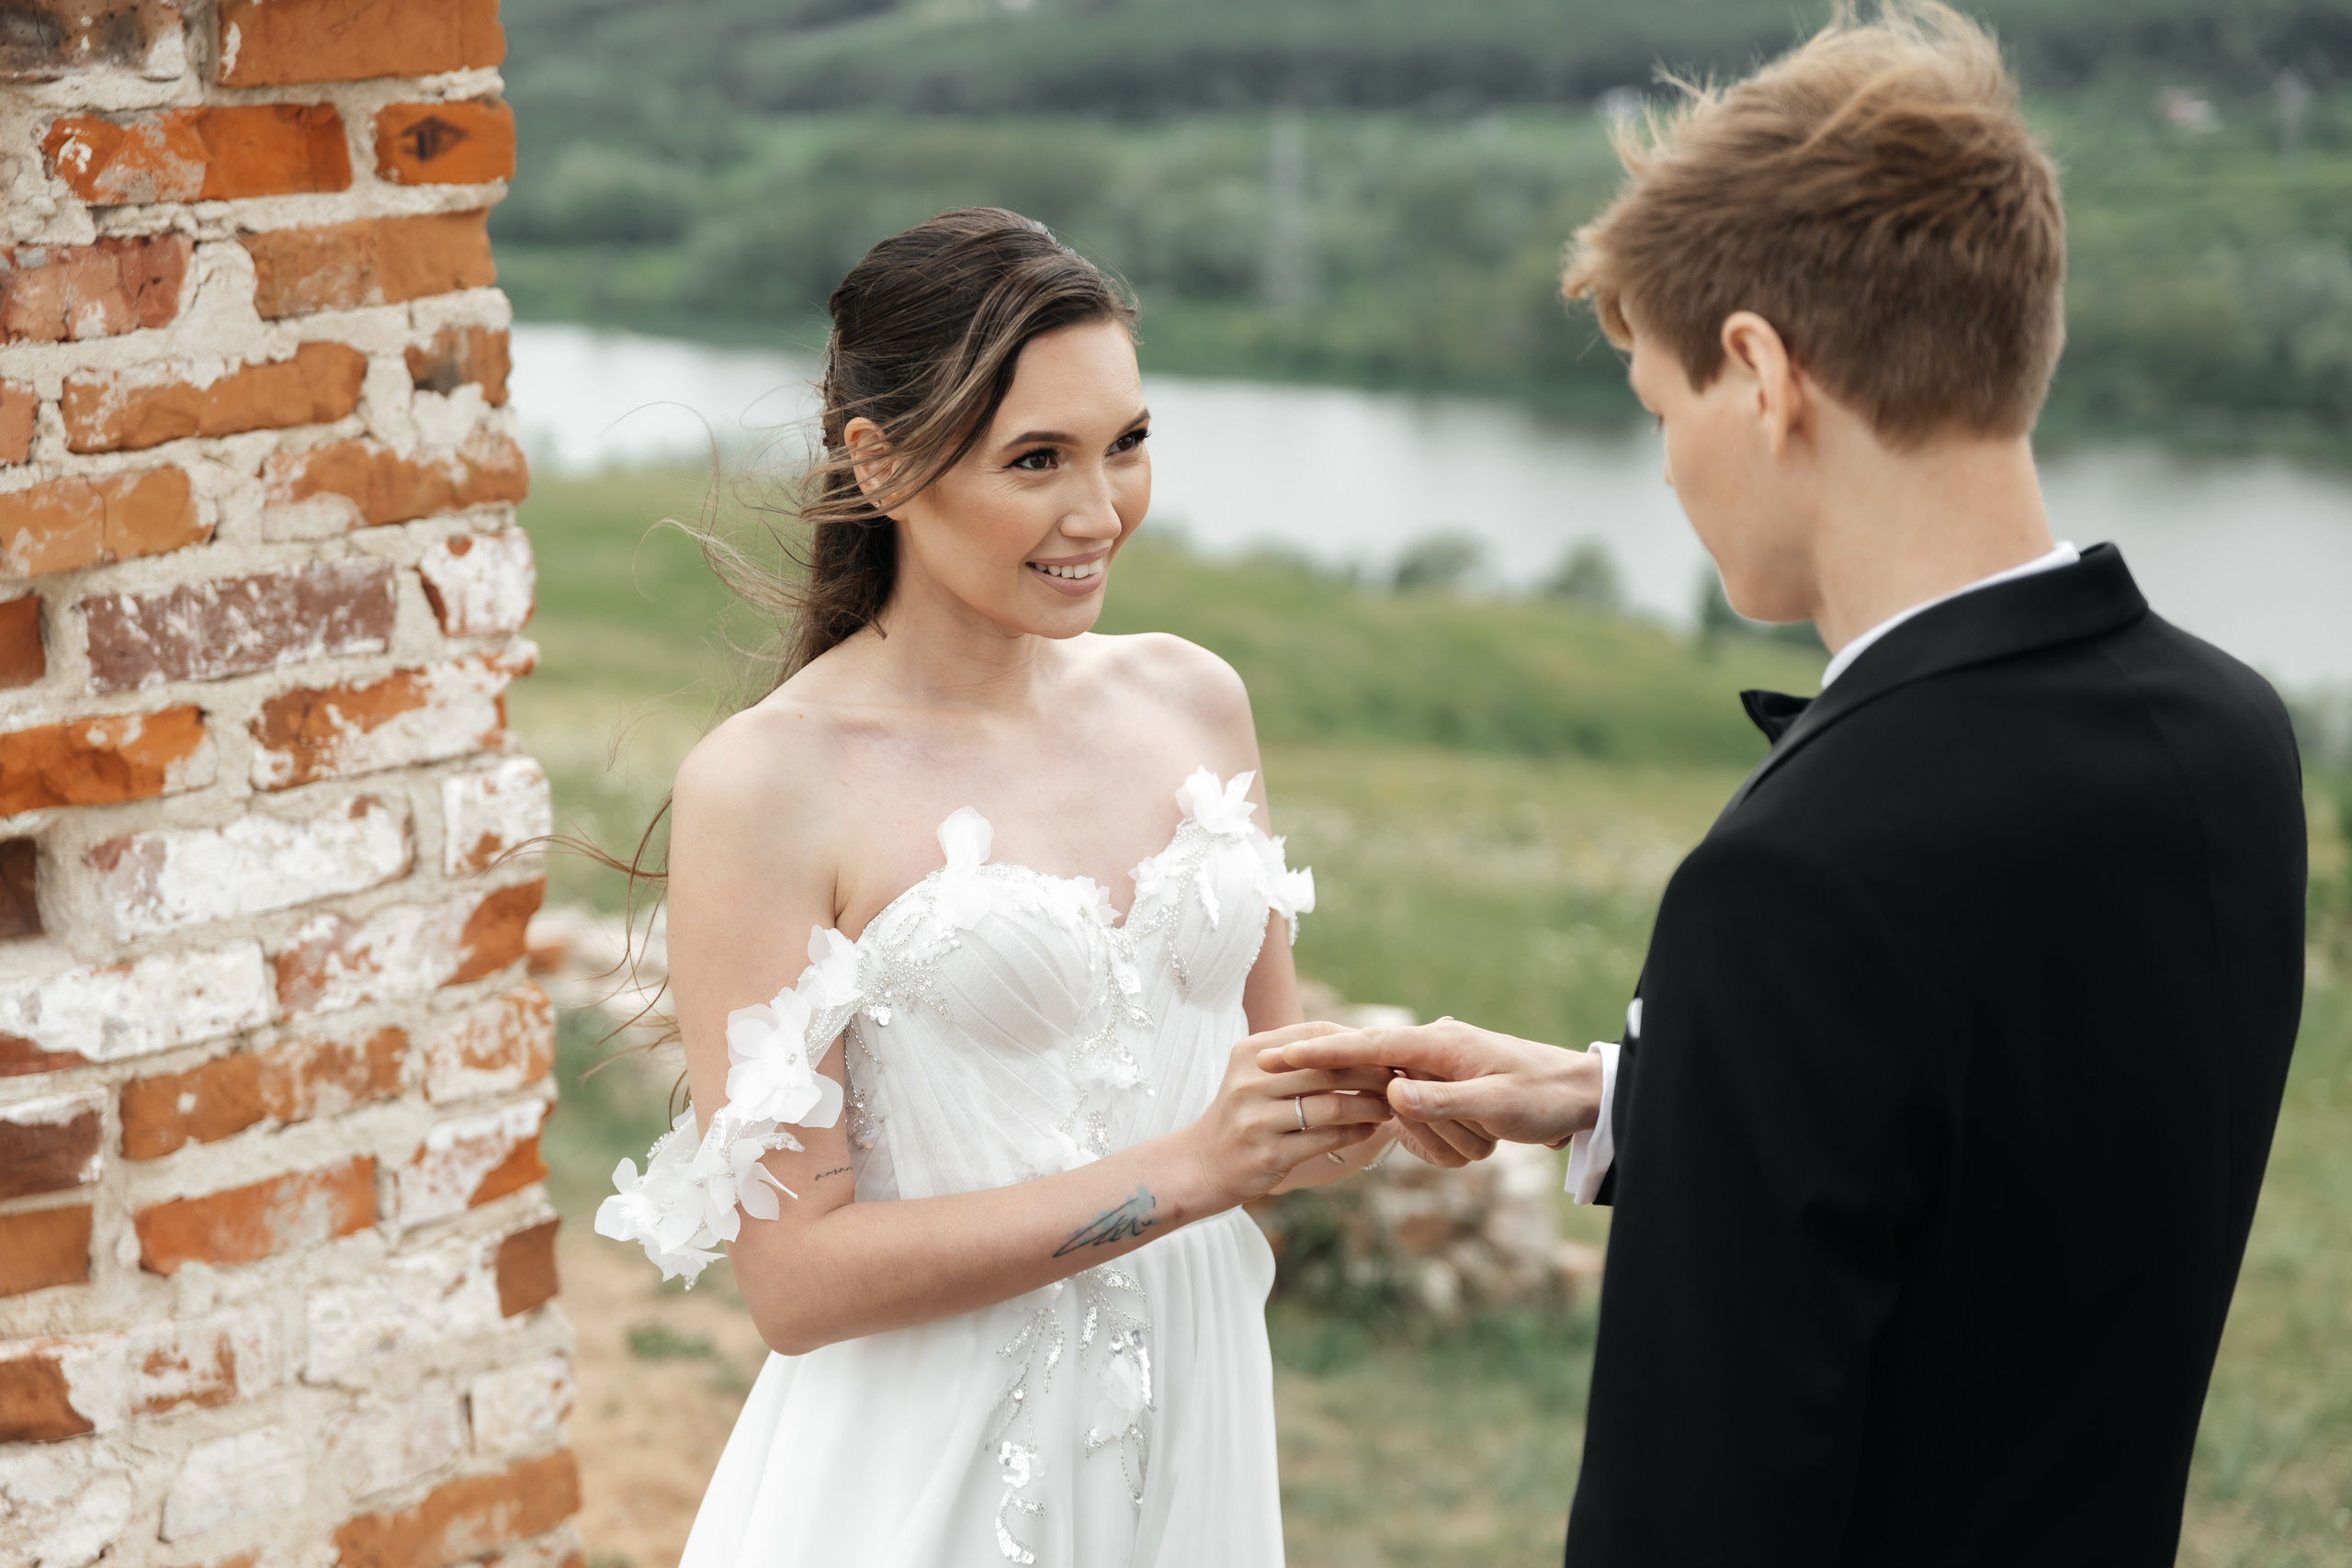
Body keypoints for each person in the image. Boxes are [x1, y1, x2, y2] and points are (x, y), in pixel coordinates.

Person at [1265, 6, 2309, 1563]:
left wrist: (1739, 1054)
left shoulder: (1802, 877)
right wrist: (1637, 1098)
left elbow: (1691, 1510)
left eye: (1659, 406)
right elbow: (2016, 1176)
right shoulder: (2226, 736)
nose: (1671, 467)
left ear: (1759, 373)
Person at [594, 209, 1396, 1567]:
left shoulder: (1198, 699)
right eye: (1038, 460)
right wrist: (1190, 1171)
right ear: (883, 460)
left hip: (1198, 1431)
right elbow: (792, 1281)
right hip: (928, 1483)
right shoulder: (771, 783)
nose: (1101, 513)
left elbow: (1271, 1071)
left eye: (1127, 443)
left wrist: (1392, 1097)